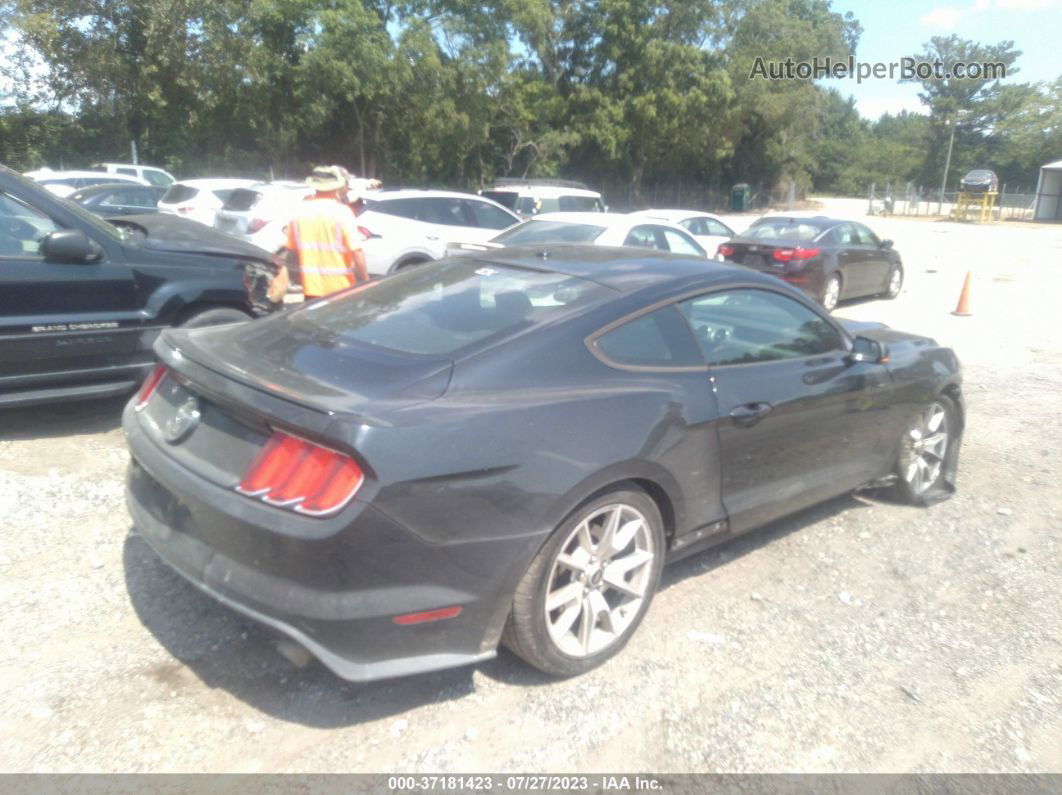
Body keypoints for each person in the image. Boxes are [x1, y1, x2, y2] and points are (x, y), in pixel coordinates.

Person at [277, 165, 369, 300]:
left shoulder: (299, 213)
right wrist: (366, 281)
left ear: (314, 186)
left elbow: (291, 251)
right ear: (336, 187)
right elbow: (357, 252)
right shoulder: (342, 213)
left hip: (310, 290)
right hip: (340, 289)